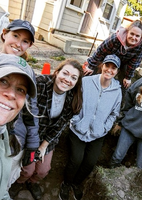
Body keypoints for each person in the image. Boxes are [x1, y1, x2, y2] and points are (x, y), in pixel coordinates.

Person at [15, 58, 83, 199]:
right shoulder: (39, 84)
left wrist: (43, 146)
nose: (67, 79)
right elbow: (24, 117)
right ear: (56, 72)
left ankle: (32, 183)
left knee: (43, 171)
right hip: (28, 135)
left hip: (47, 139)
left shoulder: (73, 98)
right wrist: (32, 146)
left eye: (73, 78)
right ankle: (17, 182)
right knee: (27, 169)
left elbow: (60, 126)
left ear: (77, 82)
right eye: (65, 73)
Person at [59, 54, 122, 200]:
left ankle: (76, 184)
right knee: (76, 160)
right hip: (78, 129)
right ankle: (66, 183)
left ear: (117, 71)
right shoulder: (86, 82)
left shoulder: (117, 90)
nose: (109, 70)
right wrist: (75, 120)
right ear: (102, 66)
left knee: (90, 162)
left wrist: (105, 128)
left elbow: (114, 113)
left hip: (98, 133)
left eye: (114, 68)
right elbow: (74, 99)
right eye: (107, 66)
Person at [0, 19, 40, 198]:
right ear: (4, 33)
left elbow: (32, 114)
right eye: (15, 35)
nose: (18, 43)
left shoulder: (28, 73)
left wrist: (31, 148)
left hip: (14, 143)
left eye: (25, 41)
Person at [84, 20, 142, 94]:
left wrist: (128, 77)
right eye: (132, 34)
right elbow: (101, 50)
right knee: (89, 73)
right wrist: (91, 66)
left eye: (137, 36)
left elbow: (135, 62)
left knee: (125, 84)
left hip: (124, 63)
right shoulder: (115, 38)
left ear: (141, 37)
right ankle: (87, 91)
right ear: (127, 32)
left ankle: (118, 98)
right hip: (107, 58)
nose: (133, 37)